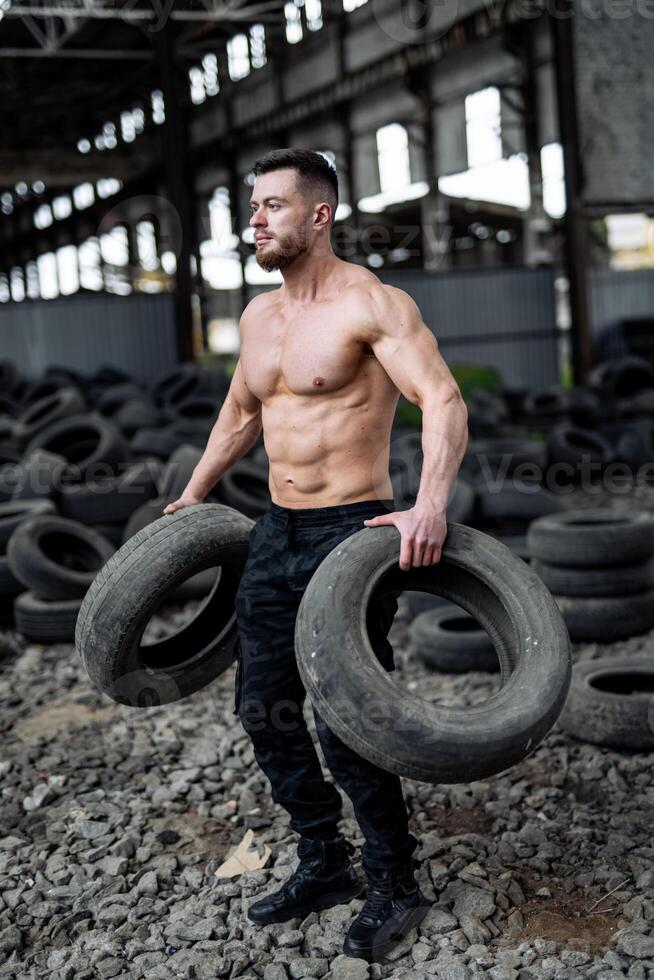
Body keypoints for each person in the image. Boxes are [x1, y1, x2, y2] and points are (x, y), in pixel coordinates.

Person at [163, 148, 469, 962]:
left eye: (269, 206)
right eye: (253, 207)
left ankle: (394, 881)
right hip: (275, 530)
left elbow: (440, 397)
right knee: (261, 709)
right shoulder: (262, 316)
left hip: (352, 534)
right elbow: (239, 411)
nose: (253, 220)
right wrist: (194, 496)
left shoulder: (372, 304)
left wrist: (429, 502)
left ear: (320, 215)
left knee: (348, 717)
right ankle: (322, 859)